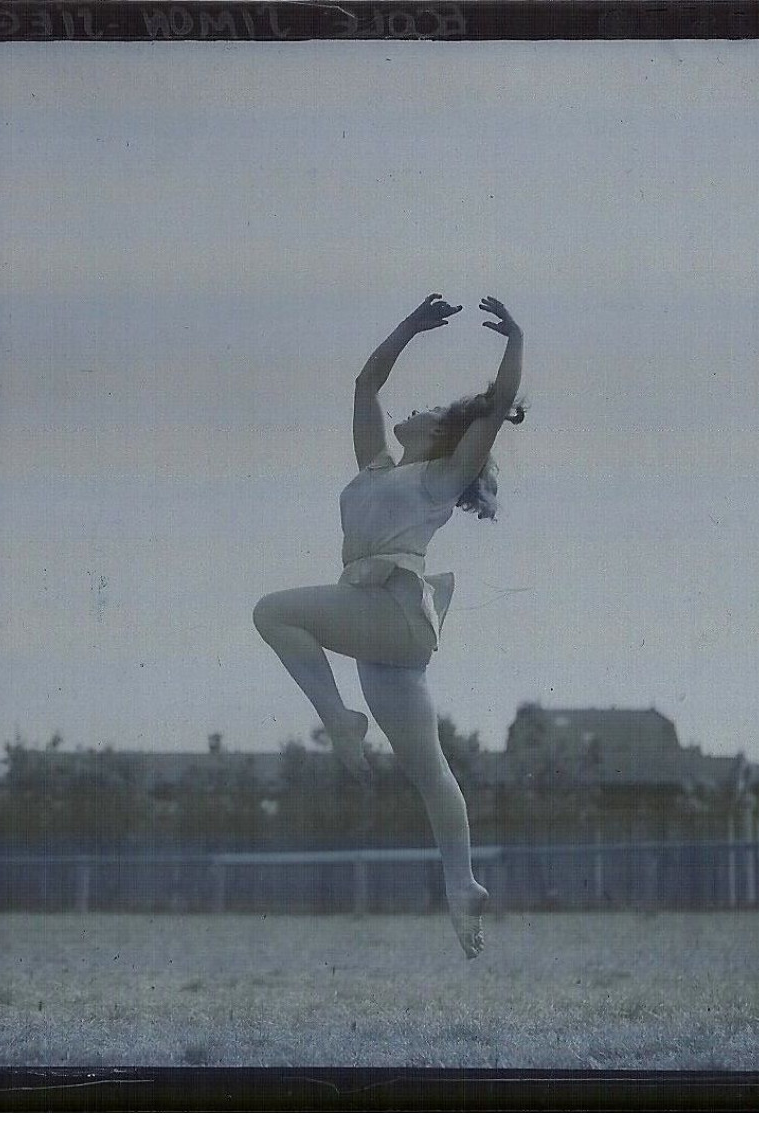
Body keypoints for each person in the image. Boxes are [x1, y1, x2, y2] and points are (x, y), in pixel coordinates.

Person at [252, 293, 525, 960]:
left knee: (273, 611)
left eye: (432, 412)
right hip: (386, 641)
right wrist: (410, 326)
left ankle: (342, 723)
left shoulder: (438, 476)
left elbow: (494, 409)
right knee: (431, 773)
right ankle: (461, 887)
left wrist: (516, 340)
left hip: (393, 612)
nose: (419, 408)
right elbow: (366, 382)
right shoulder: (378, 467)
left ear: (442, 435)